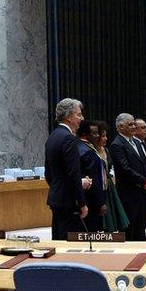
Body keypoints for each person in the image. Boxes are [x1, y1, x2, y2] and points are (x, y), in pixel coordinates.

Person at [45, 98, 87, 239]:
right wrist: (82, 203)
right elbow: (73, 174)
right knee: (70, 242)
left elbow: (48, 173)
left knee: (58, 239)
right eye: (79, 114)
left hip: (56, 198)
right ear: (69, 117)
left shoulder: (53, 136)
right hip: (69, 202)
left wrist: (59, 187)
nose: (82, 118)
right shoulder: (68, 138)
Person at [110, 113, 146, 242]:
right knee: (130, 230)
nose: (134, 127)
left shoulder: (136, 142)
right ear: (120, 127)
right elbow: (124, 169)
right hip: (129, 194)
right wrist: (143, 180)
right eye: (130, 124)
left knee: (141, 228)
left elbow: (145, 164)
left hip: (142, 192)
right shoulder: (117, 144)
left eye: (134, 124)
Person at [94, 122, 129, 233]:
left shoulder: (107, 150)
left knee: (113, 221)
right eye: (103, 136)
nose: (106, 139)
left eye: (106, 136)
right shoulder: (92, 152)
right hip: (99, 187)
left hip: (109, 187)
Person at [78, 119, 106, 232]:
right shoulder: (88, 152)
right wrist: (101, 203)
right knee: (94, 232)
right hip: (91, 201)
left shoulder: (78, 146)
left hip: (83, 198)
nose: (98, 136)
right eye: (94, 133)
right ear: (85, 134)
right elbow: (95, 180)